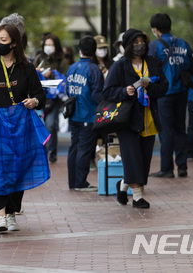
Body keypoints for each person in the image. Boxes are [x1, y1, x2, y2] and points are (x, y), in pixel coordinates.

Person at [0, 23, 48, 233]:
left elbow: (41, 95)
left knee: (19, 169)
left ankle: (13, 212)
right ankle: (1, 216)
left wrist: (34, 102)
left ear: (15, 43)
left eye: (3, 40)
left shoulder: (27, 68)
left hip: (22, 127)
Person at [103, 28, 168, 209]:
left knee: (144, 159)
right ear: (128, 46)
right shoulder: (120, 65)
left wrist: (150, 88)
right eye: (136, 42)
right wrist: (125, 91)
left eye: (142, 41)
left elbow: (164, 87)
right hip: (128, 121)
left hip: (148, 119)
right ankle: (138, 197)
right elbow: (108, 91)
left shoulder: (153, 62)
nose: (140, 45)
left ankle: (123, 186)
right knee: (132, 158)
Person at [147, 13, 192, 179]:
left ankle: (166, 168)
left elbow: (150, 68)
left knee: (165, 131)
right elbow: (189, 64)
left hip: (164, 93)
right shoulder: (183, 43)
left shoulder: (155, 45)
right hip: (182, 92)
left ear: (156, 29)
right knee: (181, 129)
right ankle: (182, 167)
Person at [66, 36, 103, 191]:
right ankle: (81, 182)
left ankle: (73, 182)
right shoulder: (94, 69)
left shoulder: (72, 68)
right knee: (84, 149)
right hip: (88, 114)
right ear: (94, 51)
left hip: (74, 114)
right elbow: (97, 95)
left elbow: (68, 91)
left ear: (79, 50)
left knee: (74, 148)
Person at [33, 33, 70, 163]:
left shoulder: (62, 61)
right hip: (38, 97)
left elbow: (65, 79)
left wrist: (52, 75)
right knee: (38, 125)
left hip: (53, 99)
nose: (48, 47)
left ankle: (52, 151)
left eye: (51, 45)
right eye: (46, 44)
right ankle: (40, 151)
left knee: (50, 125)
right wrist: (35, 71)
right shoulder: (39, 58)